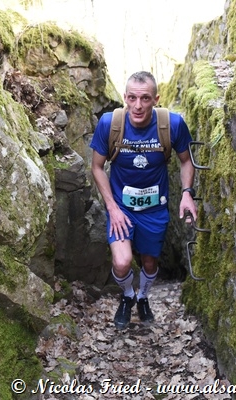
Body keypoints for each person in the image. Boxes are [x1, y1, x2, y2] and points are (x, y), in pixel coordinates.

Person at [90, 71, 197, 329]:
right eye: (132, 98)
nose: (138, 105)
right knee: (122, 262)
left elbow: (186, 161)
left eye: (145, 98)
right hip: (121, 208)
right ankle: (128, 296)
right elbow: (97, 167)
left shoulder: (172, 124)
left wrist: (186, 193)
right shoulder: (109, 124)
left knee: (149, 263)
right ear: (125, 97)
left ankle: (143, 297)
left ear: (156, 99)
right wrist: (112, 208)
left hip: (154, 209)